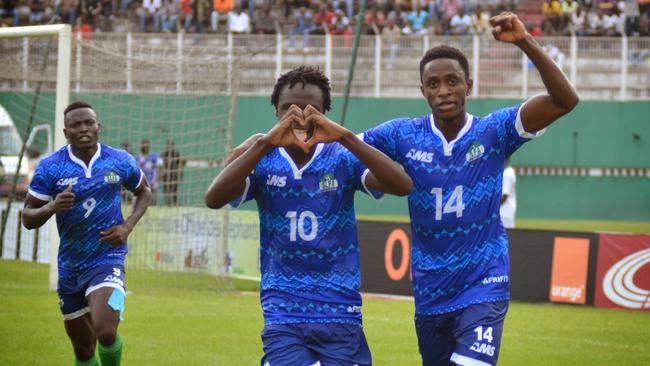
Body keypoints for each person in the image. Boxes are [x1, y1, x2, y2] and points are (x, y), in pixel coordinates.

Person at [361, 12, 578, 366]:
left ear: (469, 85)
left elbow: (564, 101)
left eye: (453, 81)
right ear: (423, 91)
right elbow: (339, 151)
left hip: (484, 280)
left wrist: (525, 41)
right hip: (431, 290)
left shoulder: (495, 132)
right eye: (434, 84)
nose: (444, 91)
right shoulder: (401, 134)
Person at [205, 66, 413, 366]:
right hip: (283, 310)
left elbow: (402, 184)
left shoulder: (342, 157)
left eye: (312, 110)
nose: (300, 118)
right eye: (289, 110)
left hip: (340, 310)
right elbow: (214, 198)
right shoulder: (264, 159)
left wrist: (345, 136)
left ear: (326, 112)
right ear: (276, 112)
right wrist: (264, 143)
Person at [22, 101, 151, 366]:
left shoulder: (119, 160)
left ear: (98, 126)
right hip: (70, 265)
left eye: (88, 122)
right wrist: (52, 206)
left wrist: (127, 226)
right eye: (75, 124)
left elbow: (144, 191)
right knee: (83, 349)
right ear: (66, 131)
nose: (83, 128)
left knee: (105, 330)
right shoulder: (51, 168)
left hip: (108, 258)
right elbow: (27, 217)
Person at [138, 138, 162, 205]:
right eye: (143, 144)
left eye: (147, 144)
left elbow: (160, 169)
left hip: (152, 184)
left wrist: (157, 181)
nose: (145, 146)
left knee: (152, 203)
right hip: (142, 185)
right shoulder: (138, 158)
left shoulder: (155, 156)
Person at [161, 138, 185, 206]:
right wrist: (162, 174)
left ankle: (177, 205)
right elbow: (161, 166)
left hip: (174, 176)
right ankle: (168, 205)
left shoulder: (176, 154)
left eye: (172, 145)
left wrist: (180, 175)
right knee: (166, 192)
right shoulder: (164, 154)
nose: (170, 146)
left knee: (175, 192)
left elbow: (180, 165)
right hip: (166, 176)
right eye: (169, 145)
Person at [500, 160, 516, 229]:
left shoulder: (507, 174)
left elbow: (504, 196)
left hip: (504, 213)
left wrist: (493, 207)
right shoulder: (507, 172)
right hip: (505, 213)